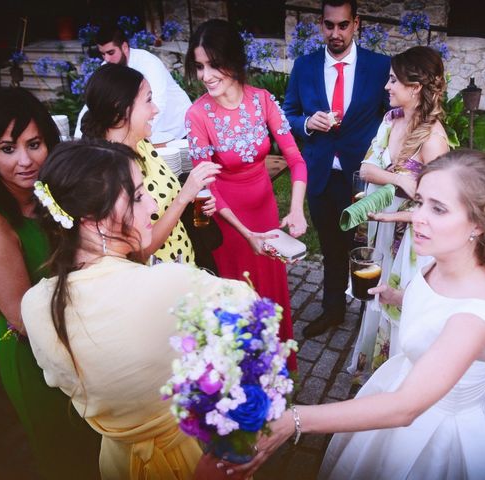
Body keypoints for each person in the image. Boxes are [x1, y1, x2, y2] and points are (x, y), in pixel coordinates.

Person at [234, 150, 485, 479]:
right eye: (420, 201)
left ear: (480, 225)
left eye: (438, 209)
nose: (418, 217)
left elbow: (405, 407)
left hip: (445, 433)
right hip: (405, 380)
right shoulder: (440, 257)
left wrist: (294, 419)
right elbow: (435, 305)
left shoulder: (476, 317)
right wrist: (398, 296)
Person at [21, 139, 256, 479]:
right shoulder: (168, 285)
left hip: (118, 463)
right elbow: (250, 309)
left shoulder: (33, 305)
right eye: (138, 196)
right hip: (194, 455)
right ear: (94, 221)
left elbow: (61, 379)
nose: (152, 207)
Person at [0, 88, 101, 479]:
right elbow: (24, 319)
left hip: (86, 341)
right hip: (39, 359)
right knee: (71, 458)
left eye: (34, 144)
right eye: (7, 149)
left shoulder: (52, 196)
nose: (25, 161)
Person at [185, 19, 308, 371]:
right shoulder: (197, 115)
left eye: (213, 64)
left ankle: (280, 376)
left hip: (266, 215)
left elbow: (296, 160)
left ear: (233, 60)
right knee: (240, 301)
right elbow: (205, 185)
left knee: (272, 294)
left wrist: (296, 209)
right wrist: (245, 233)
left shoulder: (263, 100)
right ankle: (245, 383)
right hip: (230, 225)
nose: (205, 75)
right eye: (199, 66)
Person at [283, 0, 390, 338]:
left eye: (343, 25)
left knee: (369, 247)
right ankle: (333, 310)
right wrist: (305, 123)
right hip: (322, 174)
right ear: (321, 25)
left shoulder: (379, 66)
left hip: (364, 176)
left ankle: (372, 309)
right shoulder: (305, 66)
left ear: (355, 24)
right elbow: (287, 114)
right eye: (329, 25)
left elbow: (393, 115)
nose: (336, 33)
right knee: (331, 246)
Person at [348, 46, 450, 381]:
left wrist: (391, 180)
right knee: (379, 297)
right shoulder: (390, 120)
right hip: (386, 227)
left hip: (411, 238)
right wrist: (398, 180)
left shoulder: (434, 140)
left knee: (401, 307)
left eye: (394, 80)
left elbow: (437, 208)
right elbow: (366, 167)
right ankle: (379, 374)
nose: (386, 86)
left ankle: (402, 379)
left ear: (416, 87)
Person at [81, 63, 220, 264]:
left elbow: (168, 199)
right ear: (120, 108)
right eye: (148, 101)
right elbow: (139, 253)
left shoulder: (143, 144)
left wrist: (194, 200)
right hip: (158, 281)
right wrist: (184, 197)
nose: (155, 110)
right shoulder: (108, 171)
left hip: (185, 265)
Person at [74, 23, 192, 140]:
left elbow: (158, 102)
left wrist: (136, 138)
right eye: (103, 54)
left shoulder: (148, 62)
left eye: (111, 53)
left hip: (178, 126)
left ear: (124, 47)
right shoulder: (108, 67)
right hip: (149, 132)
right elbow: (93, 105)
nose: (107, 59)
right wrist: (78, 140)